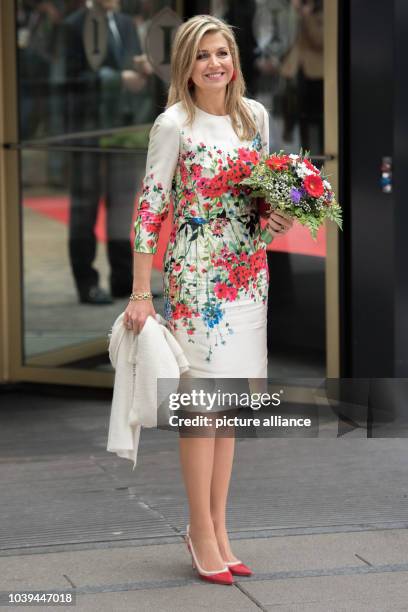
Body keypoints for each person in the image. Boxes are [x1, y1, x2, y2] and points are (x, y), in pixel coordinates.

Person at [124, 14, 293, 584]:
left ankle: (220, 529)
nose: (215, 63)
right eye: (203, 56)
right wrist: (141, 291)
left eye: (223, 52)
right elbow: (150, 207)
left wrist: (285, 211)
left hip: (248, 276)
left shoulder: (256, 118)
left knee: (232, 410)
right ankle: (199, 530)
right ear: (186, 67)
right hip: (197, 281)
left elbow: (261, 205)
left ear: (235, 59)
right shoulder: (173, 123)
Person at [63, 0, 147, 304]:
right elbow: (70, 79)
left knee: (122, 205)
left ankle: (122, 280)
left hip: (123, 131)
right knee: (85, 207)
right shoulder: (75, 24)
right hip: (87, 131)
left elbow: (135, 68)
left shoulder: (127, 24)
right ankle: (86, 283)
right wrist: (117, 79)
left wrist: (142, 69)